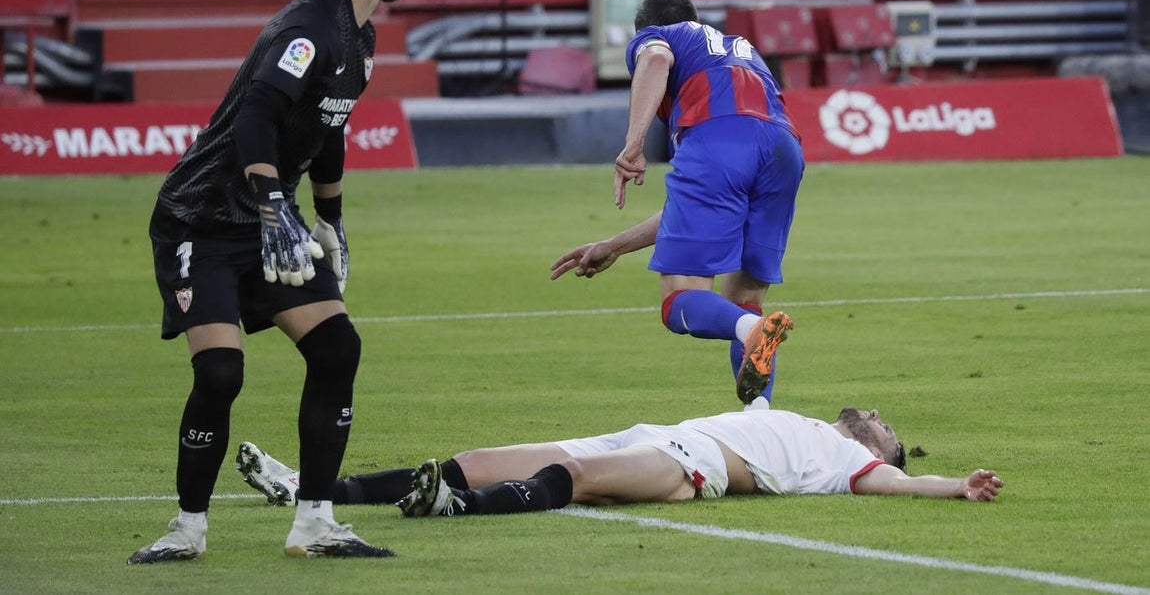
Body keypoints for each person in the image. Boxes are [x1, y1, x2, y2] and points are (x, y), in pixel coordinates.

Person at [129, 0, 407, 564]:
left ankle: (315, 523)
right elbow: (256, 111)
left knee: (337, 349)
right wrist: (273, 203)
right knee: (221, 373)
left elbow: (329, 127)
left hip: (271, 215)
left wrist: (331, 220)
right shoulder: (308, 27)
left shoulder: (359, 36)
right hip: (203, 217)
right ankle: (186, 529)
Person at [550, 0, 805, 407]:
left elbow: (654, 60)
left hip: (720, 138)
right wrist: (615, 246)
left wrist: (633, 145)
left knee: (678, 303)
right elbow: (695, 207)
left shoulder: (656, 38)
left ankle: (750, 332)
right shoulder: (740, 52)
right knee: (745, 303)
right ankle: (760, 417)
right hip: (784, 149)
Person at [234, 405, 1003, 517]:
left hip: (694, 464)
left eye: (883, 425)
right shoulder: (796, 417)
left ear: (875, 447)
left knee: (582, 483)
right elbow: (751, 384)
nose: (872, 414)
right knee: (473, 456)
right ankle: (308, 486)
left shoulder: (848, 461)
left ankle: (453, 508)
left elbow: (903, 482)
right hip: (653, 431)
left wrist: (955, 487)